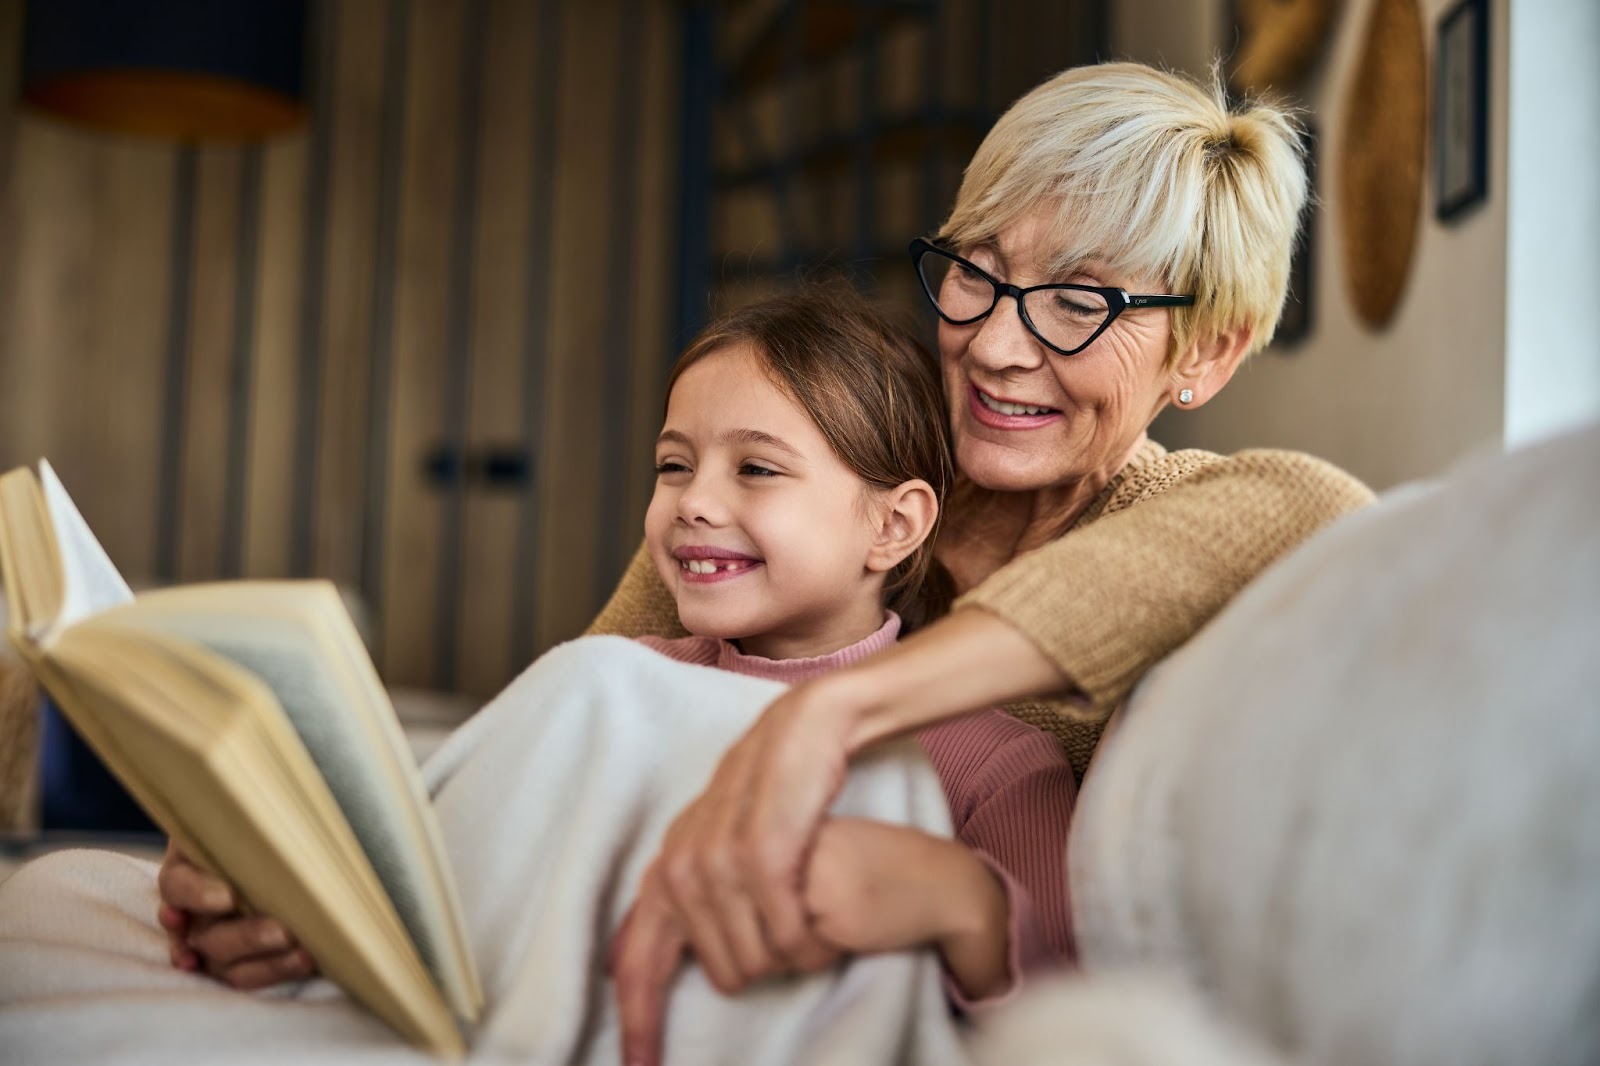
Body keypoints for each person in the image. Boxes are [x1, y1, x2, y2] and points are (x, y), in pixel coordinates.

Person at [605, 61, 1376, 1066]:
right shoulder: (822, 480)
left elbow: (1318, 504)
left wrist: (833, 708)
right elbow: (596, 698)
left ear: (1206, 354)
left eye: (1079, 300)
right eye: (977, 268)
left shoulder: (1199, 519)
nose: (997, 344)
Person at [156, 284, 1076, 1013]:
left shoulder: (985, 756)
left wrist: (962, 899)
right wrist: (267, 877)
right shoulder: (627, 679)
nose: (694, 501)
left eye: (755, 468)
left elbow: (1071, 997)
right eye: (674, 464)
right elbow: (463, 845)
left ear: (894, 525)